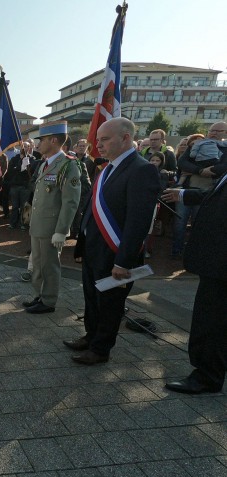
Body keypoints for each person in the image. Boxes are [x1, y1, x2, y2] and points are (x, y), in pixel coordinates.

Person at [64, 117, 160, 364]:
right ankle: (90, 336)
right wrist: (82, 245)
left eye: (105, 139)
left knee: (110, 304)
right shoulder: (106, 168)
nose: (99, 146)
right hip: (95, 249)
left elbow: (138, 221)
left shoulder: (142, 169)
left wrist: (124, 261)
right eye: (98, 141)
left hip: (117, 253)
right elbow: (92, 210)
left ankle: (100, 349)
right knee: (91, 297)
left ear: (126, 138)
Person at [160, 175, 227, 394]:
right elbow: (216, 197)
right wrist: (184, 194)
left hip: (220, 264)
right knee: (210, 317)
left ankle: (208, 377)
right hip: (214, 263)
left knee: (212, 321)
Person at [23, 121, 81, 315]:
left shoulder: (68, 166)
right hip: (39, 225)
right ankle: (40, 295)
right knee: (38, 265)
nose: (38, 144)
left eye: (42, 140)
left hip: (52, 227)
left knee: (49, 266)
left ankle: (48, 301)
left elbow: (70, 202)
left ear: (54, 140)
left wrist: (61, 231)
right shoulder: (46, 164)